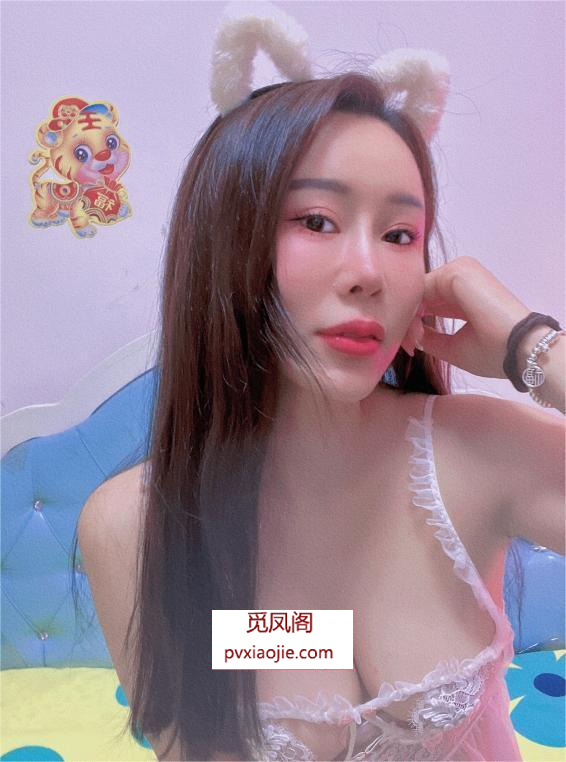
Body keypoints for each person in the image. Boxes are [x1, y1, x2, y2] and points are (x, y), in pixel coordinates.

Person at [74, 5, 565, 761]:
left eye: (399, 234)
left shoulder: (480, 453)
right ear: (226, 238)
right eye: (316, 220)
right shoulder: (131, 527)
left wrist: (534, 348)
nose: (369, 271)